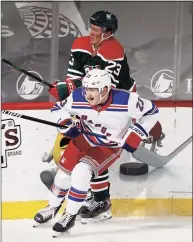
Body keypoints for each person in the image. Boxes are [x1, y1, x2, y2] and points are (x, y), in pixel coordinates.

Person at [33, 69, 159, 236]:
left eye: (93, 90)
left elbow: (152, 112)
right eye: (86, 88)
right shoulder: (78, 96)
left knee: (81, 172)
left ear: (105, 89)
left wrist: (136, 133)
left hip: (107, 146)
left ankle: (69, 216)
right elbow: (58, 108)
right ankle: (52, 207)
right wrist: (65, 123)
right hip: (83, 139)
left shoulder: (126, 100)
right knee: (63, 177)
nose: (87, 93)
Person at [45, 10, 137, 223]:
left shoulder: (114, 49)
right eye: (91, 27)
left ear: (108, 32)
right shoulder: (79, 44)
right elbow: (75, 77)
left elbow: (107, 85)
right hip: (91, 101)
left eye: (97, 29)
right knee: (85, 147)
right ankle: (95, 196)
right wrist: (67, 87)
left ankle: (98, 199)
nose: (92, 32)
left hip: (116, 104)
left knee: (96, 149)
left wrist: (69, 88)